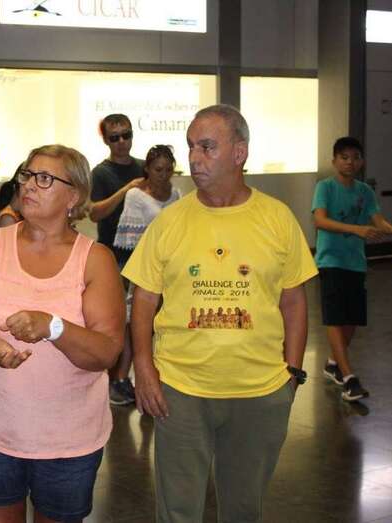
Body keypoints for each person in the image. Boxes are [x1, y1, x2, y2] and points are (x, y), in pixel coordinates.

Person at [125, 105, 317, 523]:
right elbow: (142, 299)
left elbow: (294, 300)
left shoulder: (277, 218)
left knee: (244, 510)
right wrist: (144, 367)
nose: (194, 158)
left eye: (207, 147)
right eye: (192, 147)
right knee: (177, 510)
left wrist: (293, 373)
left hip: (260, 392)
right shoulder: (170, 222)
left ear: (239, 152)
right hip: (180, 390)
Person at [0, 144, 125, 523]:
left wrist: (53, 327)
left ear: (73, 196)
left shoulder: (95, 260)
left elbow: (107, 351)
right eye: (27, 175)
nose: (29, 185)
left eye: (45, 179)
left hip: (68, 440)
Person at [312, 136, 392, 401]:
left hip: (355, 263)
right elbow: (320, 221)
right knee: (335, 318)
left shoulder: (365, 191)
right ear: (334, 161)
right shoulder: (325, 187)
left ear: (362, 161)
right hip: (331, 261)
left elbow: (378, 220)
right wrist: (356, 229)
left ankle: (333, 364)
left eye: (355, 157)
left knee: (351, 320)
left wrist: (385, 229)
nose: (350, 162)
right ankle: (349, 378)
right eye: (344, 157)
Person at [88, 113, 145, 406]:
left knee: (141, 320)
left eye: (127, 135)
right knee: (118, 322)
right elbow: (94, 212)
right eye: (115, 137)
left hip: (145, 255)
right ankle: (116, 380)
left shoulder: (144, 167)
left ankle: (130, 377)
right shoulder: (101, 173)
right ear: (106, 140)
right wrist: (127, 190)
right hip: (114, 255)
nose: (122, 142)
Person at [114, 145, 181, 387]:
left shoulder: (177, 194)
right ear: (148, 169)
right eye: (158, 169)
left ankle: (158, 374)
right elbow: (127, 244)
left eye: (168, 169)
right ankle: (122, 377)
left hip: (170, 270)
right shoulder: (135, 196)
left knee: (160, 324)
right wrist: (129, 279)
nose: (163, 174)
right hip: (142, 271)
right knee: (136, 325)